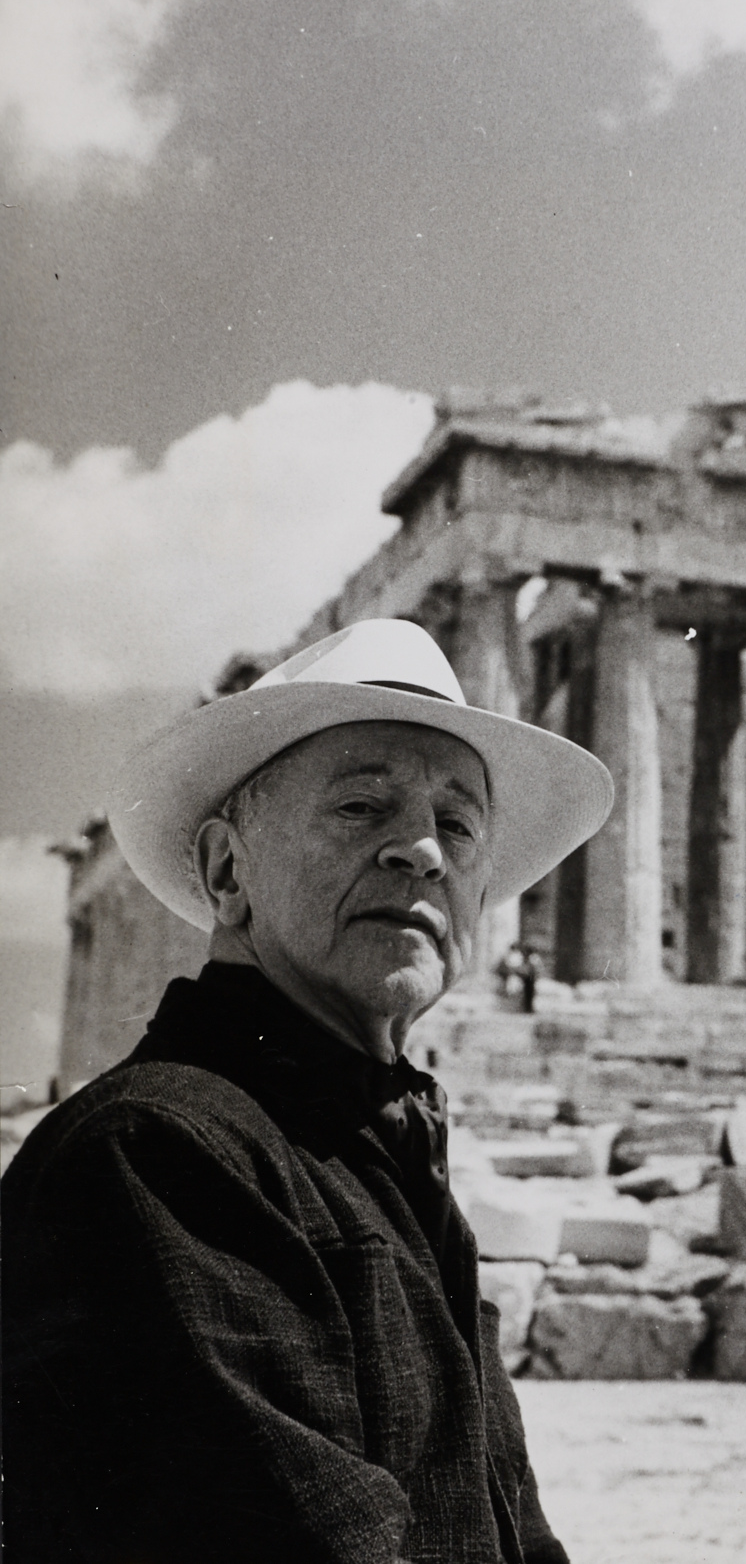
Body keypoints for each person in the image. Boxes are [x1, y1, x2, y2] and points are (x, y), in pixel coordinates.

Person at [2, 618, 614, 1563]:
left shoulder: (381, 1160)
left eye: (456, 822)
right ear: (226, 868)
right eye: (363, 807)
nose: (422, 852)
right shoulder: (161, 1153)